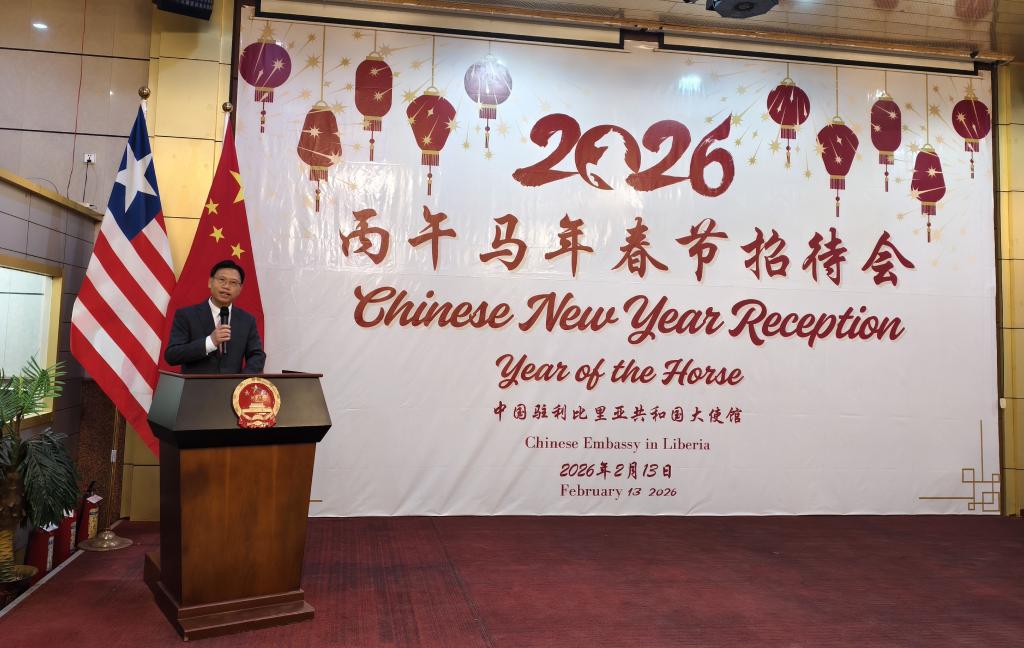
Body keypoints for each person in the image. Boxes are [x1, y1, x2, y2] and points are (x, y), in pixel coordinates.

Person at [164, 259, 265, 374]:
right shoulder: (187, 315)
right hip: (195, 385)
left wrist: (243, 380)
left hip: (233, 385)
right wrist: (210, 342)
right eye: (222, 280)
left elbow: (257, 355)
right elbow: (172, 355)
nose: (226, 286)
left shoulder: (247, 320)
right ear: (210, 282)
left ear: (240, 289)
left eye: (233, 283)